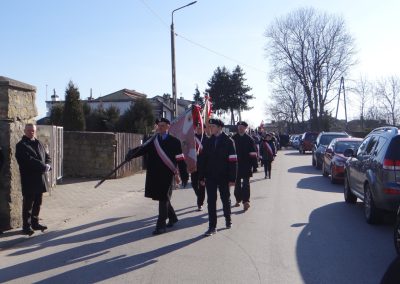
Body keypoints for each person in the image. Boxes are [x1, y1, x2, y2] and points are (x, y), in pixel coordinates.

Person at [125, 117, 188, 235]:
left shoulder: (175, 141)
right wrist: (131, 154)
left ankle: (161, 226)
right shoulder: (153, 140)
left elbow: (180, 159)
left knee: (163, 198)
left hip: (167, 174)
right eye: (159, 125)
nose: (160, 127)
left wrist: (183, 174)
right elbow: (142, 149)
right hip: (155, 173)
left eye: (163, 125)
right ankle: (173, 218)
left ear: (168, 126)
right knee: (162, 198)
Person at [199, 118, 237, 236]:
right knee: (211, 201)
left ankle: (228, 219)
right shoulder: (208, 141)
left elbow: (233, 161)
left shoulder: (229, 141)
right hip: (210, 176)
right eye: (210, 127)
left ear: (220, 127)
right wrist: (201, 177)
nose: (211, 129)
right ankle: (212, 227)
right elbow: (202, 160)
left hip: (224, 176)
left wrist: (232, 179)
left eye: (213, 127)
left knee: (225, 199)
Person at [15, 123, 51, 236]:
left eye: (33, 130)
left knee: (38, 202)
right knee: (28, 204)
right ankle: (26, 226)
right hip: (29, 179)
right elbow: (28, 160)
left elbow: (47, 156)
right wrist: (43, 166)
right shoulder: (21, 145)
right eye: (29, 130)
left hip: (40, 178)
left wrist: (48, 165)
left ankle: (35, 223)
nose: (31, 132)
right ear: (25, 131)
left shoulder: (38, 142)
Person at [232, 121, 258, 211]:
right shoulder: (233, 138)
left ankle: (246, 201)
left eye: (242, 127)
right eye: (239, 127)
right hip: (236, 165)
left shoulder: (250, 139)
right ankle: (238, 199)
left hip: (246, 165)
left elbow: (254, 153)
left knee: (246, 184)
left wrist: (254, 166)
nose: (240, 128)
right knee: (237, 184)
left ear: (245, 128)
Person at [190, 123, 208, 211]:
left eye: (200, 128)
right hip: (194, 164)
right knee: (194, 184)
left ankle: (200, 203)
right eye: (197, 128)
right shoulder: (192, 138)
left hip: (204, 165)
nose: (198, 129)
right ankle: (200, 196)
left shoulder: (207, 139)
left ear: (204, 129)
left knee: (201, 184)